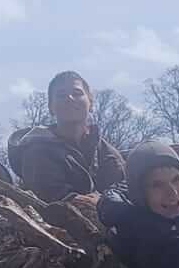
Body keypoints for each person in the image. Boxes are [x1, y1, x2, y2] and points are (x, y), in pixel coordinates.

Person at [8, 70, 126, 202]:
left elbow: (125, 192)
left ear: (91, 103)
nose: (69, 98)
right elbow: (51, 199)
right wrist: (99, 203)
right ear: (51, 107)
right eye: (61, 95)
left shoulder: (109, 154)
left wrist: (105, 202)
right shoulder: (36, 151)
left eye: (77, 93)